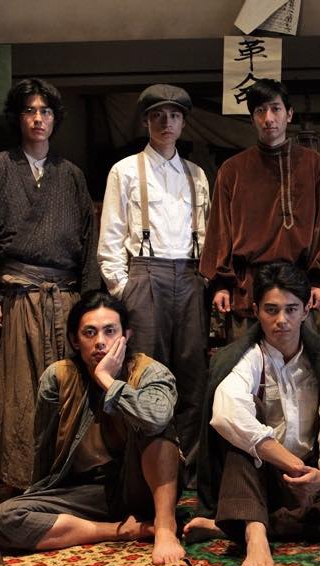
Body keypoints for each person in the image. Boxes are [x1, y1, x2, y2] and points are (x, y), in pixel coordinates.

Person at [185, 262, 320, 566]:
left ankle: (241, 523)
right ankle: (255, 536)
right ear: (256, 310)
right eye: (271, 310)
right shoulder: (245, 358)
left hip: (309, 476)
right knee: (242, 438)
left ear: (306, 310)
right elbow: (226, 412)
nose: (281, 320)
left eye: (291, 309)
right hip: (260, 475)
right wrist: (290, 464)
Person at [0, 78, 100, 490]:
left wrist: (90, 302)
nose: (38, 119)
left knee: (70, 388)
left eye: (46, 111)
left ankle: (70, 477)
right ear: (18, 118)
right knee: (18, 392)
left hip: (66, 298)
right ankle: (20, 479)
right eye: (30, 111)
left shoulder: (71, 175)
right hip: (17, 297)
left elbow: (88, 240)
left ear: (55, 119)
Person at [0, 291, 186, 565]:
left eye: (110, 331)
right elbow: (43, 444)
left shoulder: (149, 371)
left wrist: (106, 379)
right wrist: (39, 498)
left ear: (126, 335)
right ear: (74, 339)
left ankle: (165, 527)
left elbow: (157, 418)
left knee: (157, 427)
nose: (100, 342)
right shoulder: (59, 376)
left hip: (142, 486)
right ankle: (121, 531)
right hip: (88, 493)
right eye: (90, 333)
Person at [98, 84, 211, 485]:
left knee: (193, 374)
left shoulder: (197, 174)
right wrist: (124, 289)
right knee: (146, 373)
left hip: (190, 276)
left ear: (183, 123)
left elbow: (207, 232)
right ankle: (145, 473)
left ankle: (188, 472)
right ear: (146, 121)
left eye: (174, 116)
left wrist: (203, 279)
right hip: (145, 274)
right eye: (158, 116)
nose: (167, 123)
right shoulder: (125, 170)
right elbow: (111, 237)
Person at [201, 78, 320, 338]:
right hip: (248, 288)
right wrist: (221, 284)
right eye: (260, 111)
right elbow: (220, 230)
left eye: (275, 109)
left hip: (298, 285)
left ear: (289, 114)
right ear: (252, 118)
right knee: (246, 361)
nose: (268, 118)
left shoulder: (313, 165)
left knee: (300, 360)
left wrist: (318, 281)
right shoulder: (233, 170)